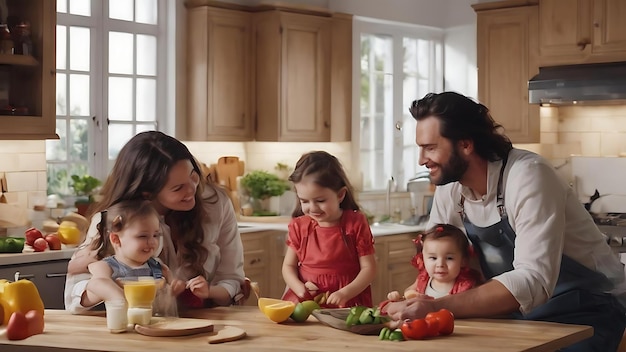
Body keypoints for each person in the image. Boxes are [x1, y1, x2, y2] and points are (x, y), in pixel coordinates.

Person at [385, 92, 626, 351]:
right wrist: (414, 298)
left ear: (466, 145)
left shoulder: (529, 176)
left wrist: (436, 305)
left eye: (430, 147)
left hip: (587, 312)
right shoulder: (450, 191)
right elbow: (440, 259)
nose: (421, 159)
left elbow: (533, 278)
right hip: (519, 316)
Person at [65, 131, 246, 314]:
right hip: (140, 327)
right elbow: (76, 296)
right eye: (178, 188)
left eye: (193, 176)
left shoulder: (216, 204)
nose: (193, 189)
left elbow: (232, 278)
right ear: (147, 193)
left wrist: (210, 292)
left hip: (209, 326)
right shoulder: (116, 220)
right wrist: (108, 289)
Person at [281, 151, 376, 308]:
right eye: (304, 201)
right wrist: (299, 289)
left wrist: (345, 293)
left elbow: (369, 269)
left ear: (340, 195)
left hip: (346, 302)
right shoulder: (299, 227)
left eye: (320, 200)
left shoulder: (355, 223)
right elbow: (288, 266)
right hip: (306, 301)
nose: (312, 208)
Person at [84, 200, 186, 305]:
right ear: (116, 239)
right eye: (142, 236)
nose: (152, 242)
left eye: (156, 235)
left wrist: (178, 288)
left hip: (151, 320)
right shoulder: (105, 267)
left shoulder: (160, 268)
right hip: (114, 320)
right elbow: (95, 284)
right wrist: (120, 299)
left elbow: (174, 292)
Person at [386, 223, 482, 301]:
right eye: (433, 258)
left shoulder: (467, 286)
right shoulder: (424, 279)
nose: (440, 265)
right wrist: (398, 297)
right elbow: (409, 293)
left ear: (463, 261)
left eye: (449, 258)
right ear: (423, 258)